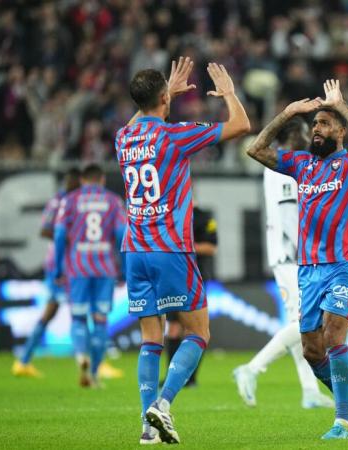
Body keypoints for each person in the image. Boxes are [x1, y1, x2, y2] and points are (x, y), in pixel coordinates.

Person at [117, 57, 249, 444]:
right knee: (199, 331)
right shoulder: (174, 135)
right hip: (170, 248)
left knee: (150, 338)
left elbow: (136, 121)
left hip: (134, 249)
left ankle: (147, 427)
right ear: (164, 97)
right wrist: (228, 93)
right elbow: (240, 125)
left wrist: (160, 96)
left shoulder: (123, 138)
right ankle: (163, 404)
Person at [246, 79, 348, 440]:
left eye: (323, 124)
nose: (316, 129)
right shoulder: (301, 164)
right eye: (314, 124)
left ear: (338, 130)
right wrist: (288, 113)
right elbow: (256, 149)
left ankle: (342, 421)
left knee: (335, 335)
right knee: (310, 349)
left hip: (343, 265)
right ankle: (346, 396)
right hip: (308, 269)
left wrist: (342, 104)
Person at [233, 116, 334, 410]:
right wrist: (309, 250)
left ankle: (309, 391)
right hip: (291, 255)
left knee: (299, 322)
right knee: (306, 323)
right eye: (306, 131)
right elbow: (289, 213)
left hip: (285, 254)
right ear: (294, 135)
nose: (310, 135)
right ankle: (252, 368)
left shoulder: (277, 165)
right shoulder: (286, 168)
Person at [52, 164, 126, 387]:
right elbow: (122, 233)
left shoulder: (70, 200)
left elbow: (59, 234)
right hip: (105, 266)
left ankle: (81, 356)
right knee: (101, 320)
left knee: (78, 318)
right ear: (102, 180)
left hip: (78, 266)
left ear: (83, 180)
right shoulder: (113, 201)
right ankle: (94, 371)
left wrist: (57, 267)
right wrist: (123, 267)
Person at [12, 168, 81, 378]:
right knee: (78, 311)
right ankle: (91, 363)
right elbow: (44, 230)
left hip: (71, 264)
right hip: (60, 264)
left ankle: (24, 361)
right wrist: (70, 238)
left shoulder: (74, 200)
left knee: (59, 312)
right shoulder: (60, 201)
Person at [164, 205, 218, 388]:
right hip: (173, 277)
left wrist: (185, 247)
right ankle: (172, 376)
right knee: (172, 328)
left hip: (197, 278)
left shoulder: (203, 217)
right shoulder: (169, 215)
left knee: (195, 329)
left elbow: (211, 247)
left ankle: (191, 377)